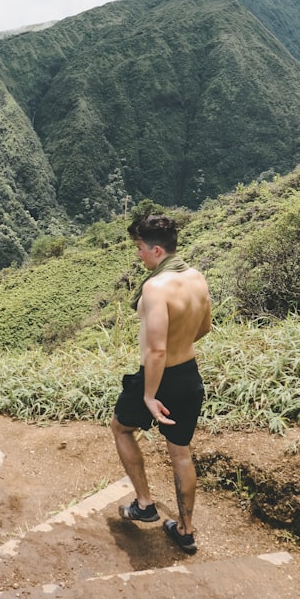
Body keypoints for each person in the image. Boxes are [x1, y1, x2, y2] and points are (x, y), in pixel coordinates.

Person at [110, 214, 211, 554]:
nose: (137, 254)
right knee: (180, 454)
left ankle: (144, 504)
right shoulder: (196, 277)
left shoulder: (155, 288)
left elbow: (156, 350)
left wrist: (150, 395)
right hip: (188, 375)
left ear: (155, 249)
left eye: (139, 248)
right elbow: (205, 327)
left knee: (121, 428)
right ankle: (185, 530)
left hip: (157, 378)